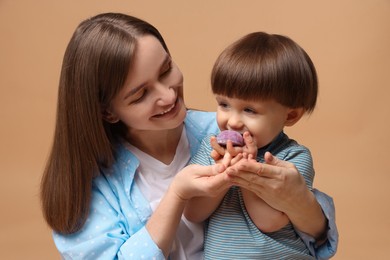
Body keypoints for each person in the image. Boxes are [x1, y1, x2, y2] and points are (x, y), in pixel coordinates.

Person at [40, 13, 338, 259]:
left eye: (166, 69)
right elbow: (195, 211)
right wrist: (178, 193)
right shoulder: (89, 183)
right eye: (141, 94)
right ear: (108, 112)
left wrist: (301, 204)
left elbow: (312, 235)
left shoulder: (226, 134)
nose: (168, 95)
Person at [184, 32, 337, 259]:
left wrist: (246, 170)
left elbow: (269, 221)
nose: (233, 121)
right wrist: (223, 173)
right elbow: (194, 212)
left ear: (291, 115)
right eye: (224, 104)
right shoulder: (213, 150)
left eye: (249, 110)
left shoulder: (291, 159)